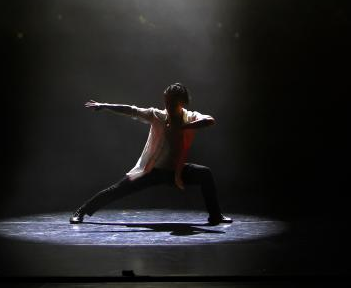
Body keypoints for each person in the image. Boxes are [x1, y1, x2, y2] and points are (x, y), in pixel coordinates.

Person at [69, 82, 233, 225]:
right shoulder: (157, 115)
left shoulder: (190, 117)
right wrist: (104, 105)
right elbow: (131, 110)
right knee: (118, 189)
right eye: (166, 101)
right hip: (153, 171)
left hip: (176, 171)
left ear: (181, 102)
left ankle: (215, 216)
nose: (168, 105)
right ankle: (81, 211)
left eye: (172, 102)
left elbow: (209, 120)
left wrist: (182, 128)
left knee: (205, 174)